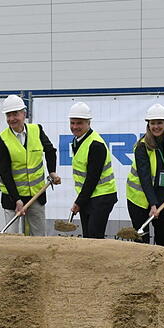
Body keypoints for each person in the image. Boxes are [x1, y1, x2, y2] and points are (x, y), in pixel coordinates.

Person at [0, 94, 60, 236]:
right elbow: (5, 173)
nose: (11, 119)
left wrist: (52, 172)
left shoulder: (37, 130)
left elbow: (50, 151)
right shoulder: (0, 141)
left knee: (39, 236)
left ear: (24, 113)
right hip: (12, 198)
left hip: (36, 195)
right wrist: (17, 199)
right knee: (11, 237)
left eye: (15, 114)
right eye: (8, 115)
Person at [125, 103, 164, 246]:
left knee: (163, 239)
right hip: (140, 199)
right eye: (152, 123)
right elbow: (144, 177)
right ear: (148, 125)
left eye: (159, 123)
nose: (156, 127)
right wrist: (153, 204)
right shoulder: (141, 146)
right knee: (142, 240)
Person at [68, 102, 117, 239]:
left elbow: (92, 178)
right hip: (89, 197)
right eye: (72, 123)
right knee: (88, 237)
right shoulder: (78, 140)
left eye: (79, 123)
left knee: (94, 237)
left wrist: (78, 202)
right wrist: (82, 201)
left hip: (102, 196)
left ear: (88, 123)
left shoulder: (96, 145)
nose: (75, 127)